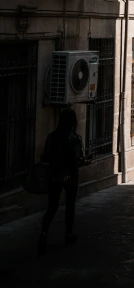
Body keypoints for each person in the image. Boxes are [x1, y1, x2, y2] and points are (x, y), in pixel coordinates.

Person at [38, 108, 89, 256]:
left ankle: (44, 233)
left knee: (52, 207)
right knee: (70, 205)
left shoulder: (51, 137)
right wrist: (84, 162)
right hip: (71, 176)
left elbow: (44, 157)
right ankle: (68, 233)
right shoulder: (75, 138)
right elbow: (78, 160)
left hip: (55, 176)